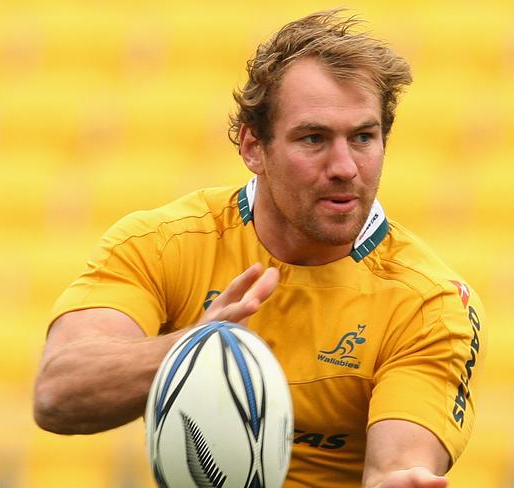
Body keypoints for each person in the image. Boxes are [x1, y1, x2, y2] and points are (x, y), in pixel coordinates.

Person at [34, 9, 486, 488]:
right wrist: (192, 349)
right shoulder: (163, 243)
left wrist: (399, 481)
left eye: (363, 137)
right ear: (253, 147)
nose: (345, 167)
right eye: (313, 138)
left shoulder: (430, 304)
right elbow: (58, 394)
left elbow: (396, 465)